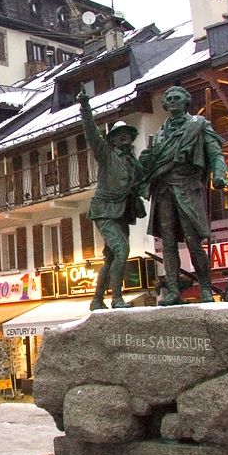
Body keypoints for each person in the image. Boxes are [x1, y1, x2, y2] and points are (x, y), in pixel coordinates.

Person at [138, 85, 227, 305]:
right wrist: (146, 159)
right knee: (167, 243)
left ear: (186, 101)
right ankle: (173, 291)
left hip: (187, 187)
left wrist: (220, 175)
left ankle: (205, 289)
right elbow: (150, 167)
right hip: (164, 190)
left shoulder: (198, 125)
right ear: (165, 105)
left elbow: (216, 153)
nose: (173, 100)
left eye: (178, 97)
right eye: (169, 98)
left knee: (193, 241)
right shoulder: (159, 135)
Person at [78, 90, 145, 310]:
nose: (123, 136)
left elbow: (143, 183)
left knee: (110, 257)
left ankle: (97, 300)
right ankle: (116, 298)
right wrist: (85, 107)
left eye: (127, 133)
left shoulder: (135, 162)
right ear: (113, 140)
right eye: (119, 134)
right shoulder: (106, 156)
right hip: (105, 211)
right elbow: (90, 133)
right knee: (122, 250)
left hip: (122, 213)